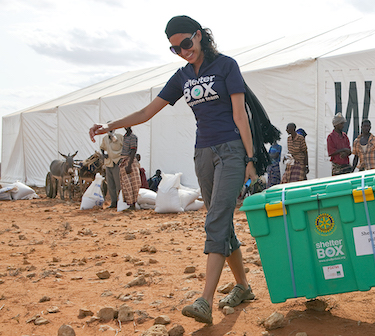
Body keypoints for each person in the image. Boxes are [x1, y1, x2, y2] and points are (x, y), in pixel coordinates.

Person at [89, 15, 257, 325]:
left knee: (216, 219)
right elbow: (146, 111)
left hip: (231, 150)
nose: (182, 51)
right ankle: (244, 287)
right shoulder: (182, 77)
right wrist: (109, 125)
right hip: (202, 153)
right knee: (220, 221)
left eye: (186, 43)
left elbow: (240, 114)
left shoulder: (226, 66)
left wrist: (250, 159)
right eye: (175, 48)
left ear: (199, 36)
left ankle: (204, 301)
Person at [100, 129, 123, 208]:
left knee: (118, 184)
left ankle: (121, 202)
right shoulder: (105, 138)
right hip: (108, 163)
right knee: (110, 184)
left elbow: (124, 148)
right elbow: (102, 148)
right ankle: (114, 202)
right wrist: (103, 155)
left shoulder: (119, 137)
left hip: (117, 162)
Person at [119, 127, 141, 210]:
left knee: (134, 183)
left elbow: (133, 151)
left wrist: (129, 165)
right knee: (126, 184)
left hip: (130, 161)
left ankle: (133, 204)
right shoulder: (124, 137)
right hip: (124, 161)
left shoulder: (133, 137)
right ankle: (130, 203)